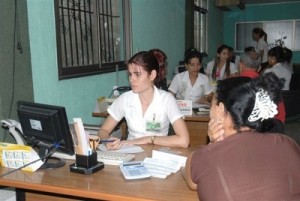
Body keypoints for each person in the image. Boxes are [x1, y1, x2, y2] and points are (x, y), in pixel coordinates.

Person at [182, 73, 300, 200]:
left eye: (212, 103)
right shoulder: (288, 144)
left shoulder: (204, 157)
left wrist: (212, 145)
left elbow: (189, 176)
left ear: (220, 110)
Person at [98, 51, 190, 150]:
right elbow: (103, 130)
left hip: (157, 155)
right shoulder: (125, 99)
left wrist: (150, 139)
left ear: (152, 75)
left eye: (137, 74)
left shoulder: (166, 99)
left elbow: (184, 140)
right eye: (130, 74)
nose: (131, 79)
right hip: (130, 153)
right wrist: (106, 140)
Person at [239, 53, 286, 133]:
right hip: (271, 132)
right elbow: (281, 115)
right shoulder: (271, 85)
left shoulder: (232, 84)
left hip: (241, 135)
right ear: (259, 68)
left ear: (240, 65)